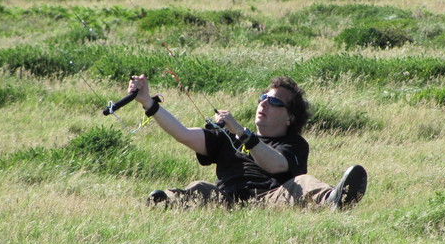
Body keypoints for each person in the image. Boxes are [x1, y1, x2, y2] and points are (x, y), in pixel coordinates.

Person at [129, 74, 367, 209]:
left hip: (269, 200)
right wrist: (148, 103)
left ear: (289, 118)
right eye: (263, 98)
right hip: (225, 200)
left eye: (274, 102)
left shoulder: (294, 143)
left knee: (303, 182)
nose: (263, 103)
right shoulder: (227, 135)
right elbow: (182, 133)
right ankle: (165, 204)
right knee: (199, 186)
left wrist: (243, 134)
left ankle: (336, 200)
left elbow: (276, 165)